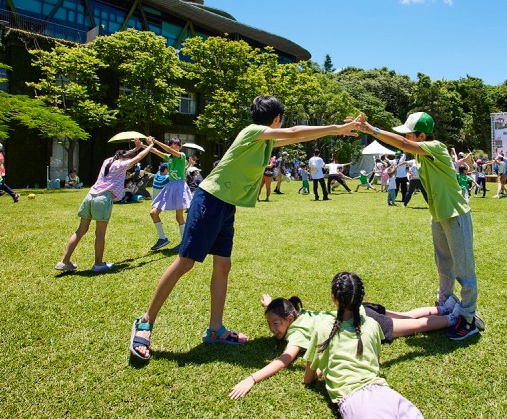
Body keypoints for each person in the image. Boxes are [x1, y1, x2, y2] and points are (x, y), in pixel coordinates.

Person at [128, 96, 361, 361]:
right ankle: (145, 322)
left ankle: (215, 329)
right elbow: (295, 132)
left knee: (222, 265)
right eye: (281, 119)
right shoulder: (252, 132)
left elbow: (296, 137)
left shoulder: (265, 141)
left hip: (226, 205)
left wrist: (332, 132)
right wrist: (336, 129)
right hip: (210, 199)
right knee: (185, 262)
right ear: (276, 119)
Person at [360, 111, 484, 340]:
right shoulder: (419, 156)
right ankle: (446, 303)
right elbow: (406, 147)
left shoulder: (435, 146)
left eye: (410, 134)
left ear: (422, 135)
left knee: (464, 269)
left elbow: (403, 144)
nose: (407, 138)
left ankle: (468, 318)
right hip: (439, 214)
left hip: (456, 214)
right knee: (444, 264)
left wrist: (372, 130)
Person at [229, 290, 460, 400]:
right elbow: (283, 307)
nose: (273, 329)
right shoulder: (300, 313)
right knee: (407, 316)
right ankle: (445, 308)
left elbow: (284, 360)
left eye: (275, 323)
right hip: (358, 309)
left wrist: (252, 378)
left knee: (415, 326)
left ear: (289, 319)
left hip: (361, 321)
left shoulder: (296, 333)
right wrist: (270, 304)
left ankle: (452, 319)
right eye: (270, 324)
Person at [302, 272, 424, 419]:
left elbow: (308, 379)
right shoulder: (372, 325)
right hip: (386, 393)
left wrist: (324, 370)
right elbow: (377, 363)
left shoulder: (322, 329)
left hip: (356, 402)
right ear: (361, 299)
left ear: (333, 298)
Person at [55, 137, 155, 272]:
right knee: (100, 234)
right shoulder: (121, 165)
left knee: (80, 230)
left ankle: (64, 261)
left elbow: (126, 155)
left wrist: (136, 148)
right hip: (102, 198)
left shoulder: (108, 161)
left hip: (90, 196)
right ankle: (98, 264)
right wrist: (150, 146)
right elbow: (137, 158)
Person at [147, 137, 192, 251]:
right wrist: (143, 145)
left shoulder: (181, 156)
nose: (173, 147)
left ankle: (184, 242)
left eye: (176, 145)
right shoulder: (169, 157)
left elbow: (170, 151)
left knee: (179, 216)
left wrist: (156, 141)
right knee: (153, 213)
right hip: (170, 186)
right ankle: (162, 238)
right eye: (171, 145)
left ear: (180, 147)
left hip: (179, 186)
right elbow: (155, 151)